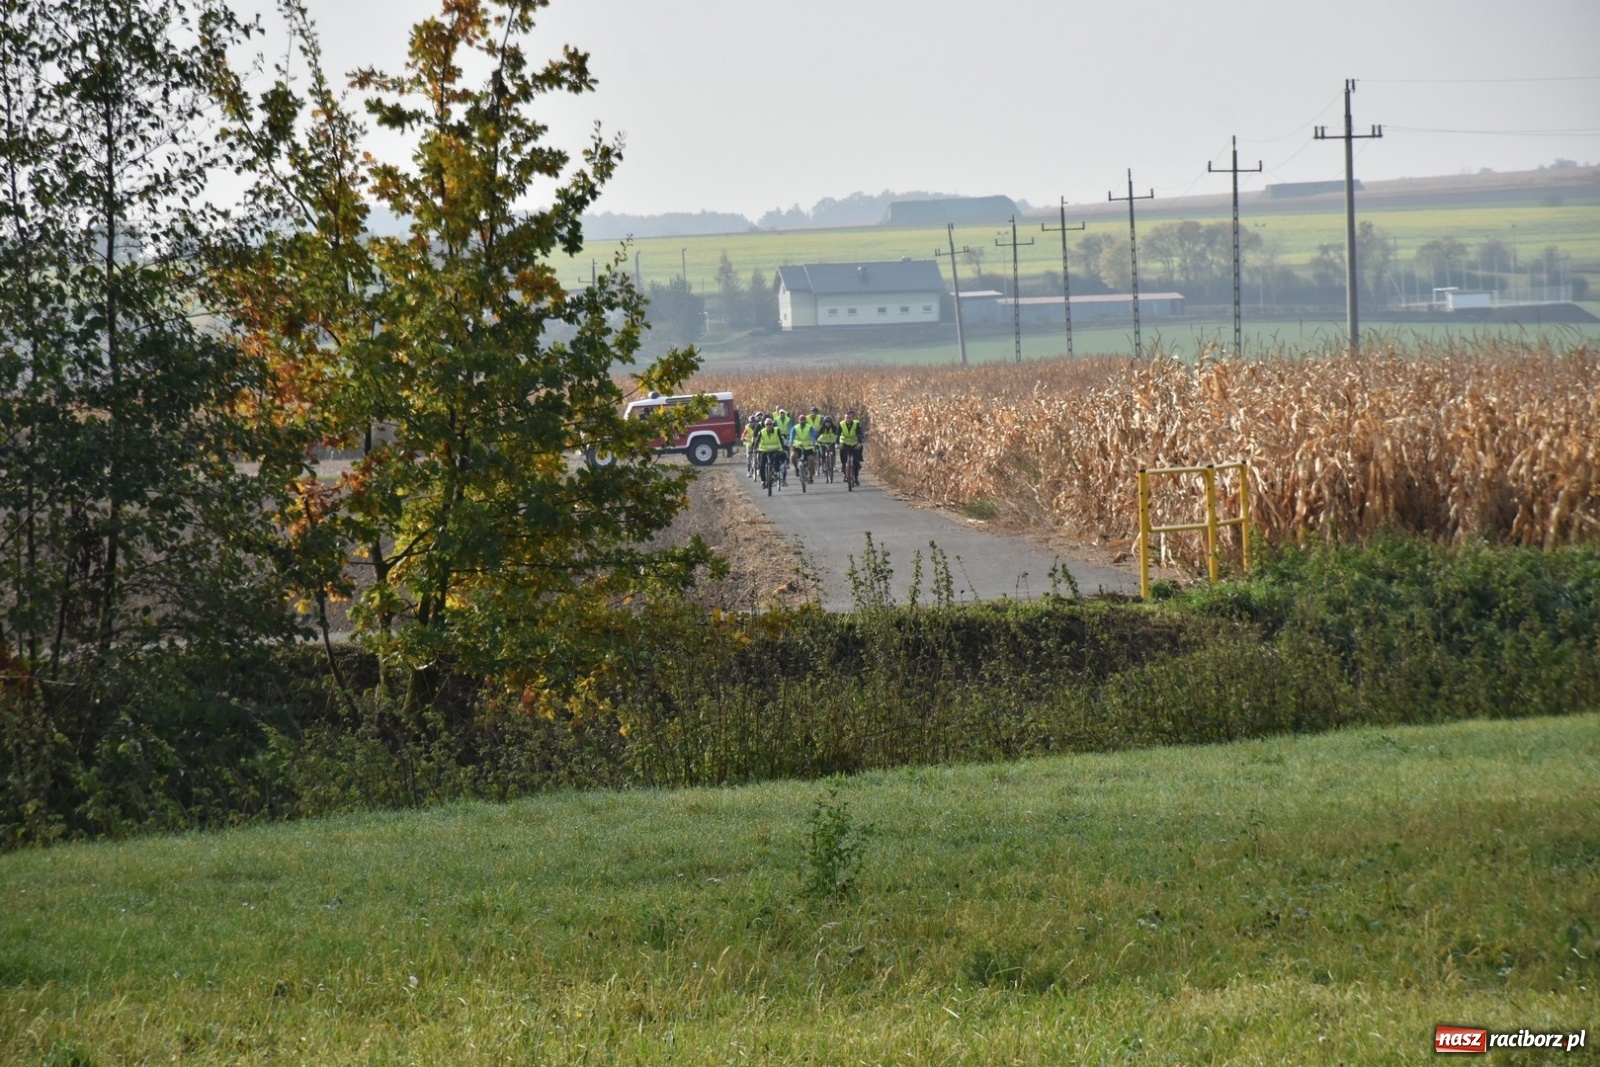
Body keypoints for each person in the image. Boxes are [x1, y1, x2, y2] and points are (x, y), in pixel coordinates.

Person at [755, 416, 786, 486]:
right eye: (767, 424)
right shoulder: (762, 432)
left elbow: (781, 439)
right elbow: (757, 441)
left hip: (775, 450)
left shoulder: (777, 430)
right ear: (765, 425)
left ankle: (775, 474)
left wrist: (782, 448)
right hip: (764, 451)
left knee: (775, 461)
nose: (768, 426)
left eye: (770, 424)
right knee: (762, 466)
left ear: (772, 425)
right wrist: (755, 448)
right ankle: (763, 481)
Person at [788, 412, 818, 484]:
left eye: (803, 420)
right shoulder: (795, 428)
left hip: (808, 446)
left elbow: (812, 435)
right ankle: (796, 468)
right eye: (801, 420)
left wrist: (813, 442)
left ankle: (810, 476)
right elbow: (792, 436)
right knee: (793, 456)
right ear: (798, 420)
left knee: (811, 460)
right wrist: (791, 442)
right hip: (798, 445)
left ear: (805, 420)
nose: (802, 421)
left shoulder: (809, 427)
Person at [837, 411, 865, 487]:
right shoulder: (841, 424)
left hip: (854, 443)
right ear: (844, 418)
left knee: (855, 462)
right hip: (844, 443)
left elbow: (860, 433)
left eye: (849, 418)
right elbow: (838, 434)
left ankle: (855, 478)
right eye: (846, 418)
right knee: (844, 459)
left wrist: (860, 442)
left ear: (852, 418)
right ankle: (844, 470)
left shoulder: (856, 424)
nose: (848, 419)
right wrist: (837, 444)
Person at [815, 415, 839, 479]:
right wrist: (816, 441)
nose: (827, 423)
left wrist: (837, 442)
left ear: (831, 422)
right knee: (822, 455)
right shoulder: (822, 428)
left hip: (831, 443)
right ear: (824, 422)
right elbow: (817, 435)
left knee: (833, 453)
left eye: (829, 422)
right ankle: (823, 466)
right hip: (822, 443)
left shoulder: (834, 428)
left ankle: (833, 466)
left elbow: (837, 435)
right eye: (826, 422)